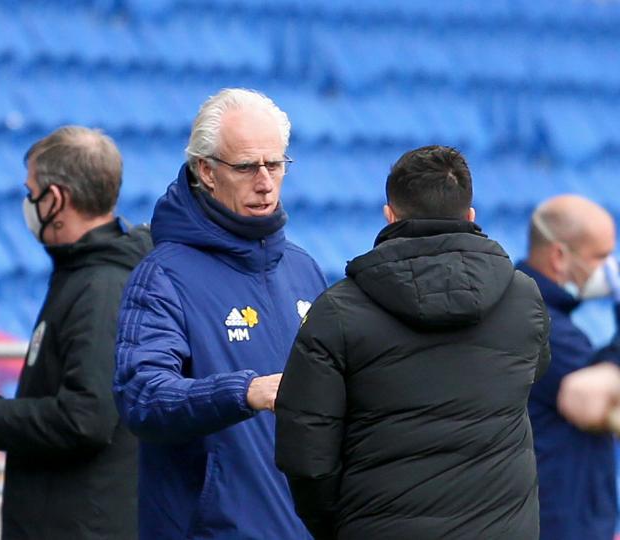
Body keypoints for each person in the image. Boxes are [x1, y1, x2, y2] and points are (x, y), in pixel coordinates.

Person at [275, 145, 550, 540]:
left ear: (390, 215)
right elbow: (533, 372)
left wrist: (341, 523)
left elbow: (306, 453)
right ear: (470, 216)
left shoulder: (338, 310)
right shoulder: (523, 298)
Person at [113, 88, 326, 539]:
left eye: (276, 164)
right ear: (206, 171)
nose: (265, 181)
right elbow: (142, 396)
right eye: (247, 167)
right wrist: (244, 391)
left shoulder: (304, 270)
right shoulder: (162, 276)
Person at [0, 125, 151, 539]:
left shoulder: (101, 287)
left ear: (55, 199)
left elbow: (86, 418)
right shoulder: (83, 275)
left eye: (30, 191)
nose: (28, 203)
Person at [518, 194, 620, 540]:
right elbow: (600, 391)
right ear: (560, 256)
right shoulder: (539, 322)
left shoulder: (529, 307)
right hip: (560, 519)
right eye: (601, 257)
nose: (609, 269)